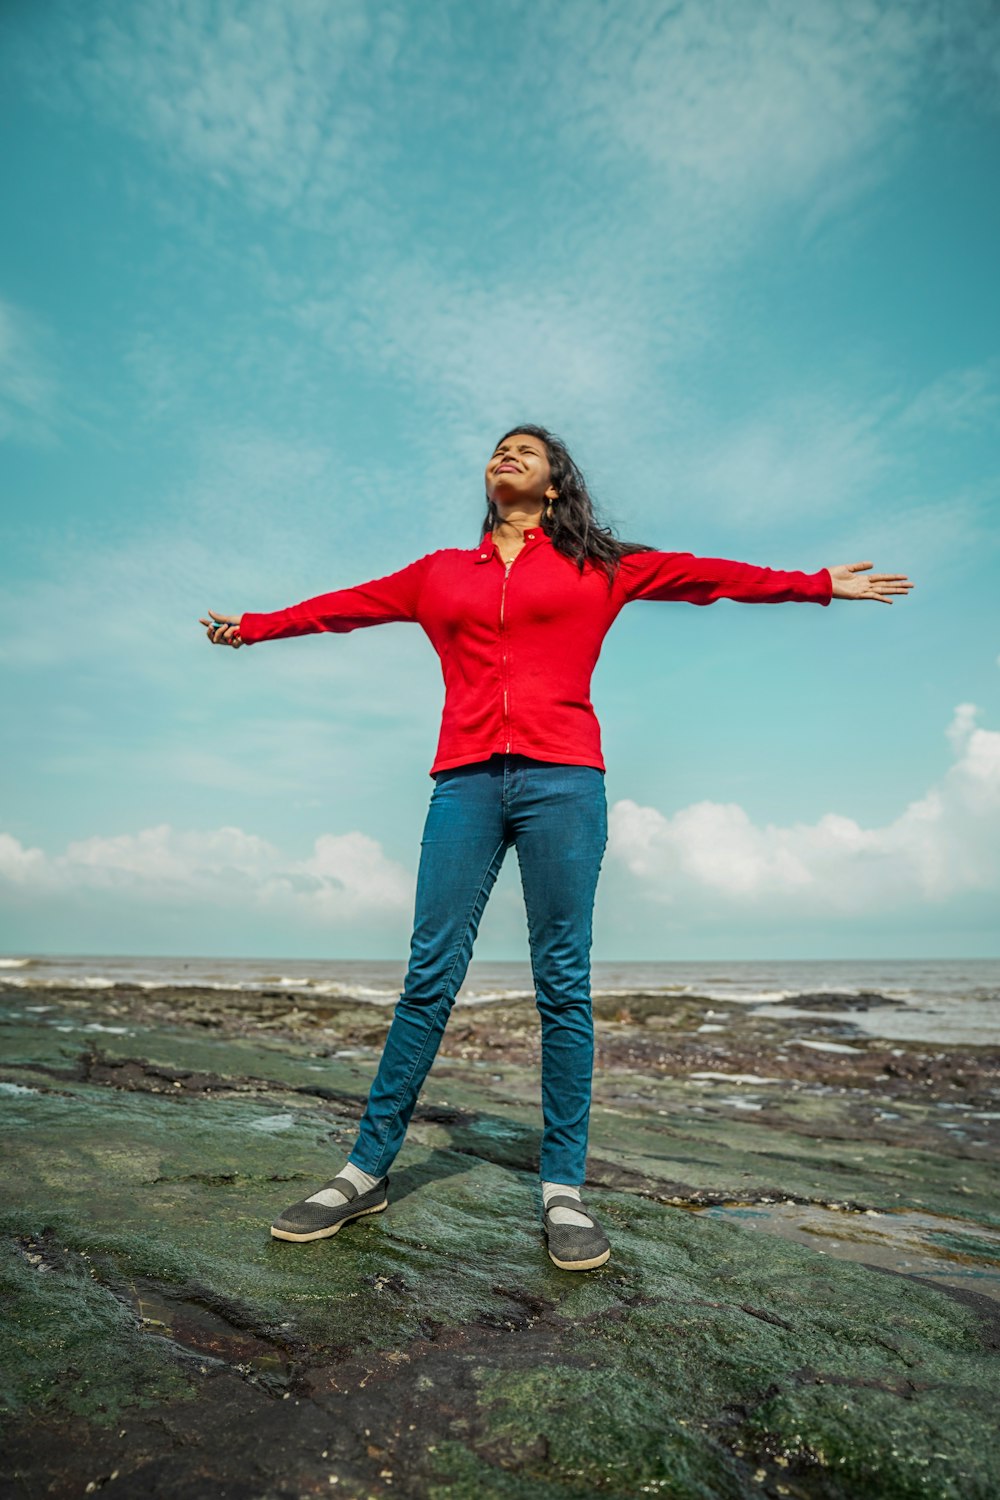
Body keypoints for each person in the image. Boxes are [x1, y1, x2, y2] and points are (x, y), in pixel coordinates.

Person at [199, 422, 913, 1271]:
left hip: (564, 782)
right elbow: (342, 607)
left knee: (562, 981)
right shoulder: (437, 574)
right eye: (498, 447)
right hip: (464, 782)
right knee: (430, 973)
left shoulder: (601, 563)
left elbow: (711, 579)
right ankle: (364, 1170)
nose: (506, 455)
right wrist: (255, 625)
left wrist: (818, 584)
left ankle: (562, 1190)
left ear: (553, 484)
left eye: (526, 451)